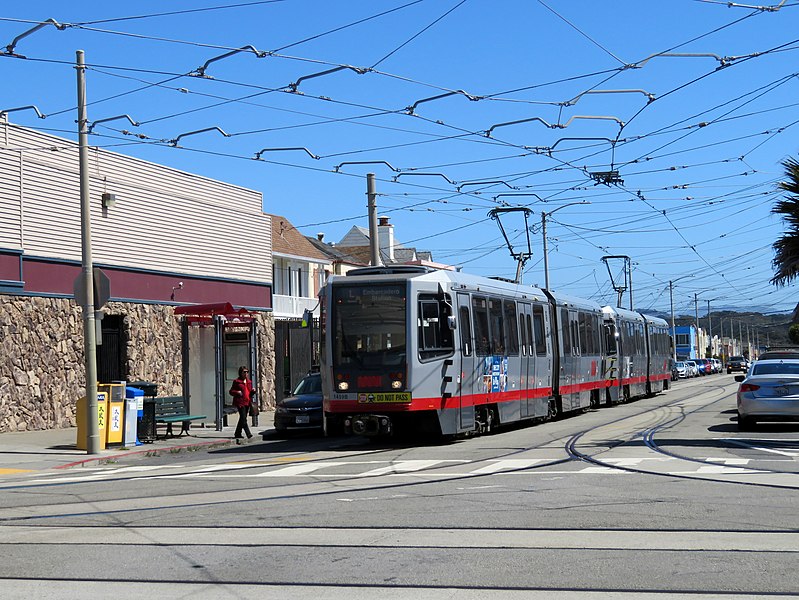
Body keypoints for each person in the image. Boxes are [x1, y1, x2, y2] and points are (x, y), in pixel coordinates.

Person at [229, 366, 254, 443]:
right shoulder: (237, 382)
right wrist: (237, 392)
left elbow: (250, 393)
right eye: (244, 372)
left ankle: (237, 433)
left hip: (247, 402)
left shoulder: (249, 382)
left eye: (247, 372)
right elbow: (231, 391)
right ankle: (248, 433)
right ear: (241, 373)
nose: (246, 373)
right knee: (243, 418)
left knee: (242, 418)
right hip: (240, 402)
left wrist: (253, 391)